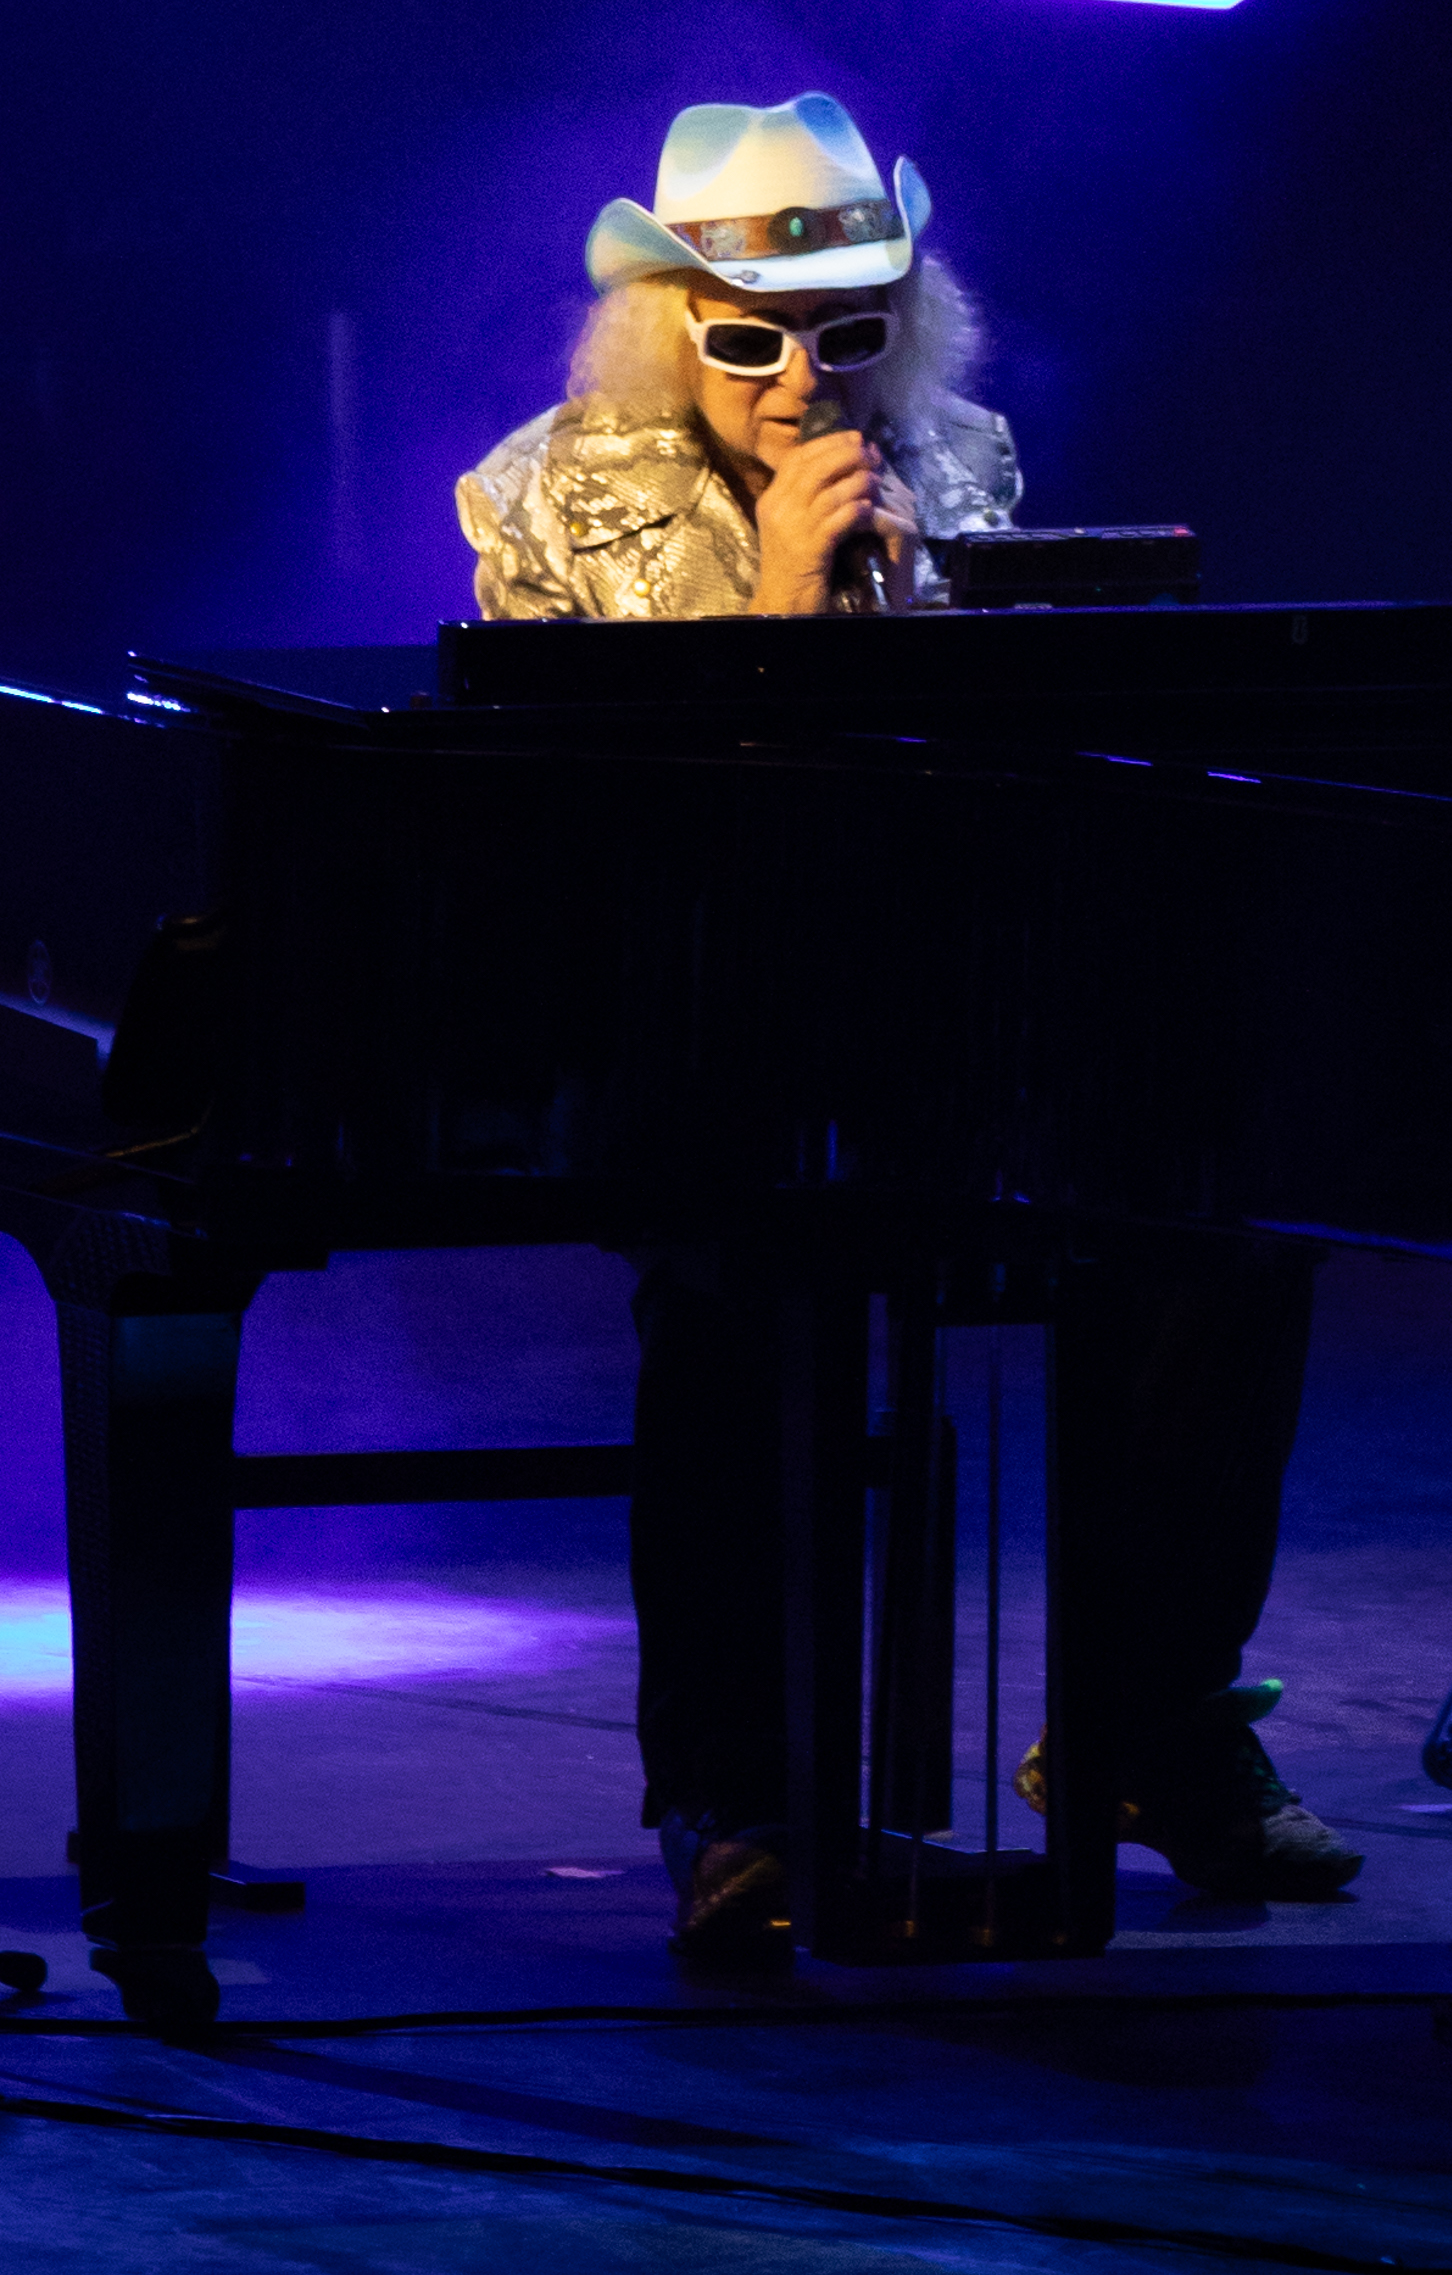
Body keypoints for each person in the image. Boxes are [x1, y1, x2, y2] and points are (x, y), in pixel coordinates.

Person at [457, 95, 1361, 1955]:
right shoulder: (545, 495)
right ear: (671, 330)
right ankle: (737, 1792)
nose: (802, 380)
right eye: (750, 341)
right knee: (736, 1268)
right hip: (680, 1029)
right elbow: (588, 835)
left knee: (1232, 1237)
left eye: (847, 333)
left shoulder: (958, 463)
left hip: (947, 1016)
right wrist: (788, 604)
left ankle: (1148, 1719)